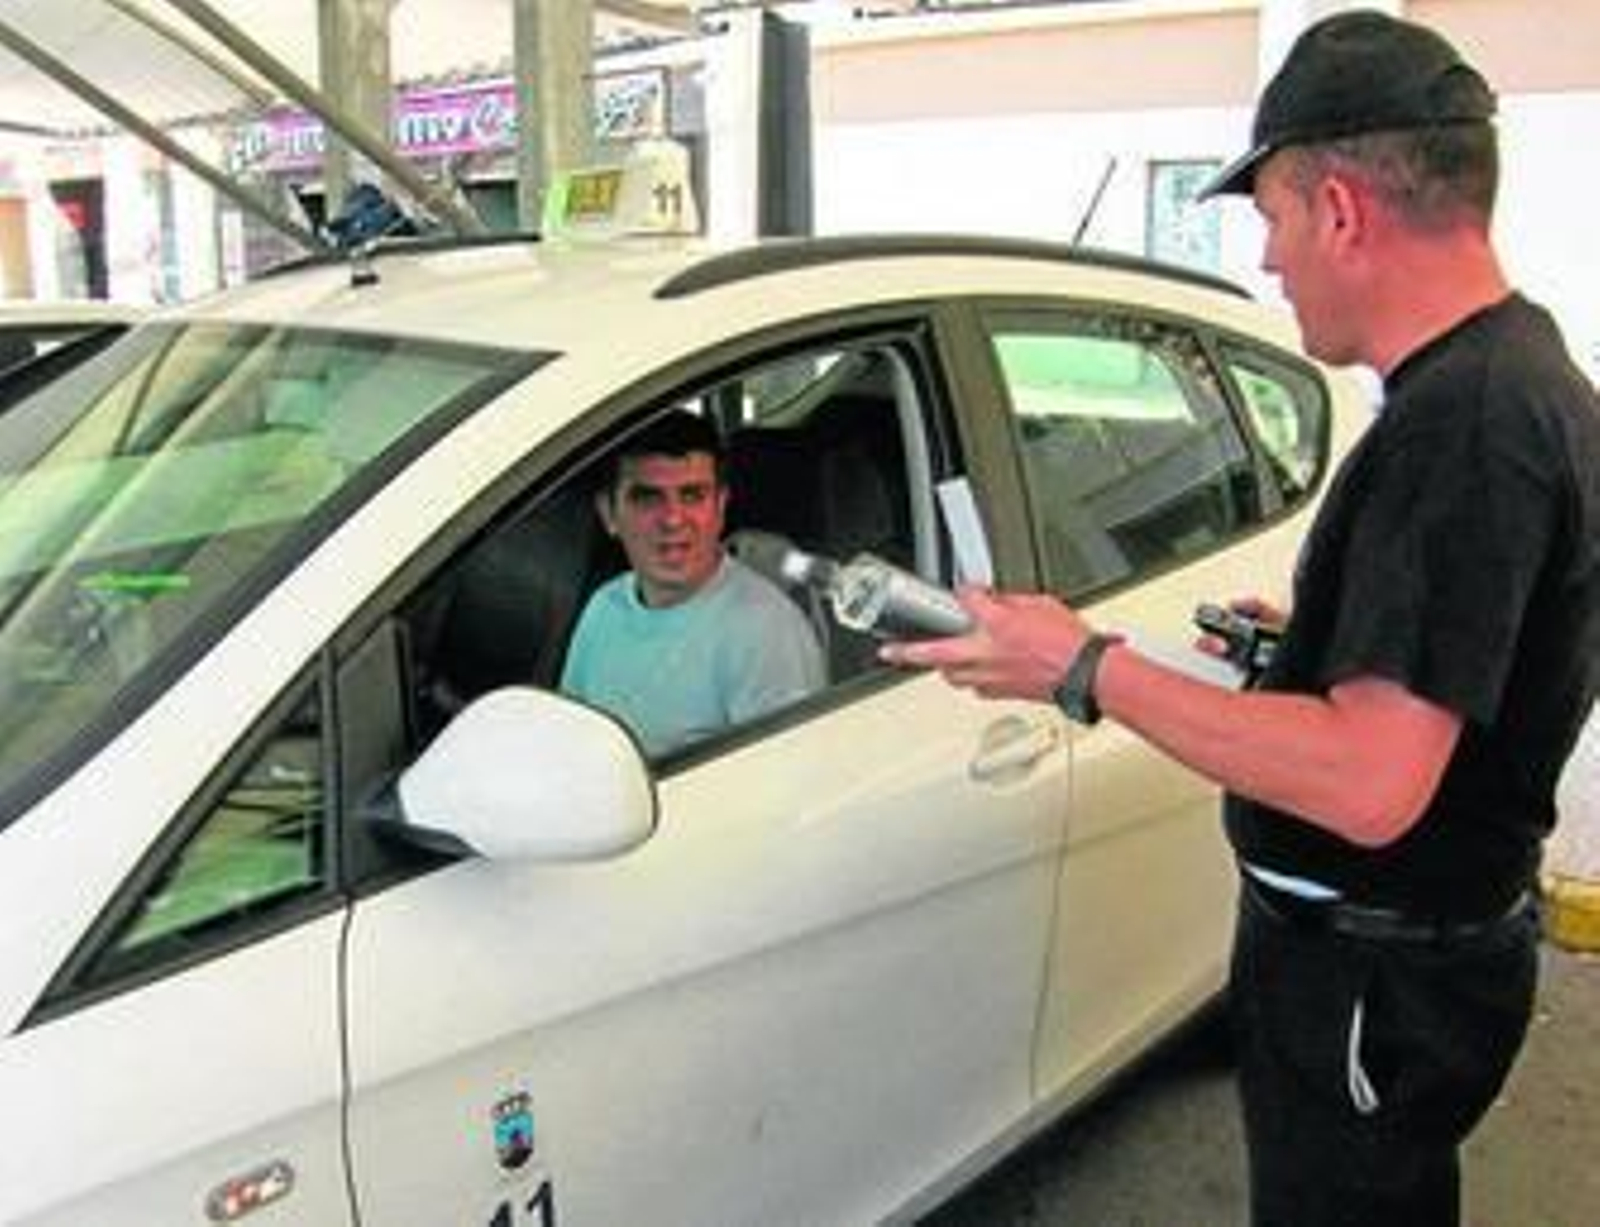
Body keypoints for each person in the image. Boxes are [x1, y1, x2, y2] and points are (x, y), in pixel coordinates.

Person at [883, 11, 1600, 1226]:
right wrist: (1316, 640)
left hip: (1376, 971)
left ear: (1338, 210)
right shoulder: (1517, 379)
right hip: (1419, 956)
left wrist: (1083, 664)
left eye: (1269, 216)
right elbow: (1468, 656)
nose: (1268, 260)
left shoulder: (1464, 430)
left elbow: (1372, 782)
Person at [561, 410, 825, 757]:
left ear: (720, 507)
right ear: (609, 514)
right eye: (648, 498)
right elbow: (566, 740)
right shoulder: (603, 606)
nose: (672, 519)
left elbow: (786, 794)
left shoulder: (767, 633)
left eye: (692, 495)